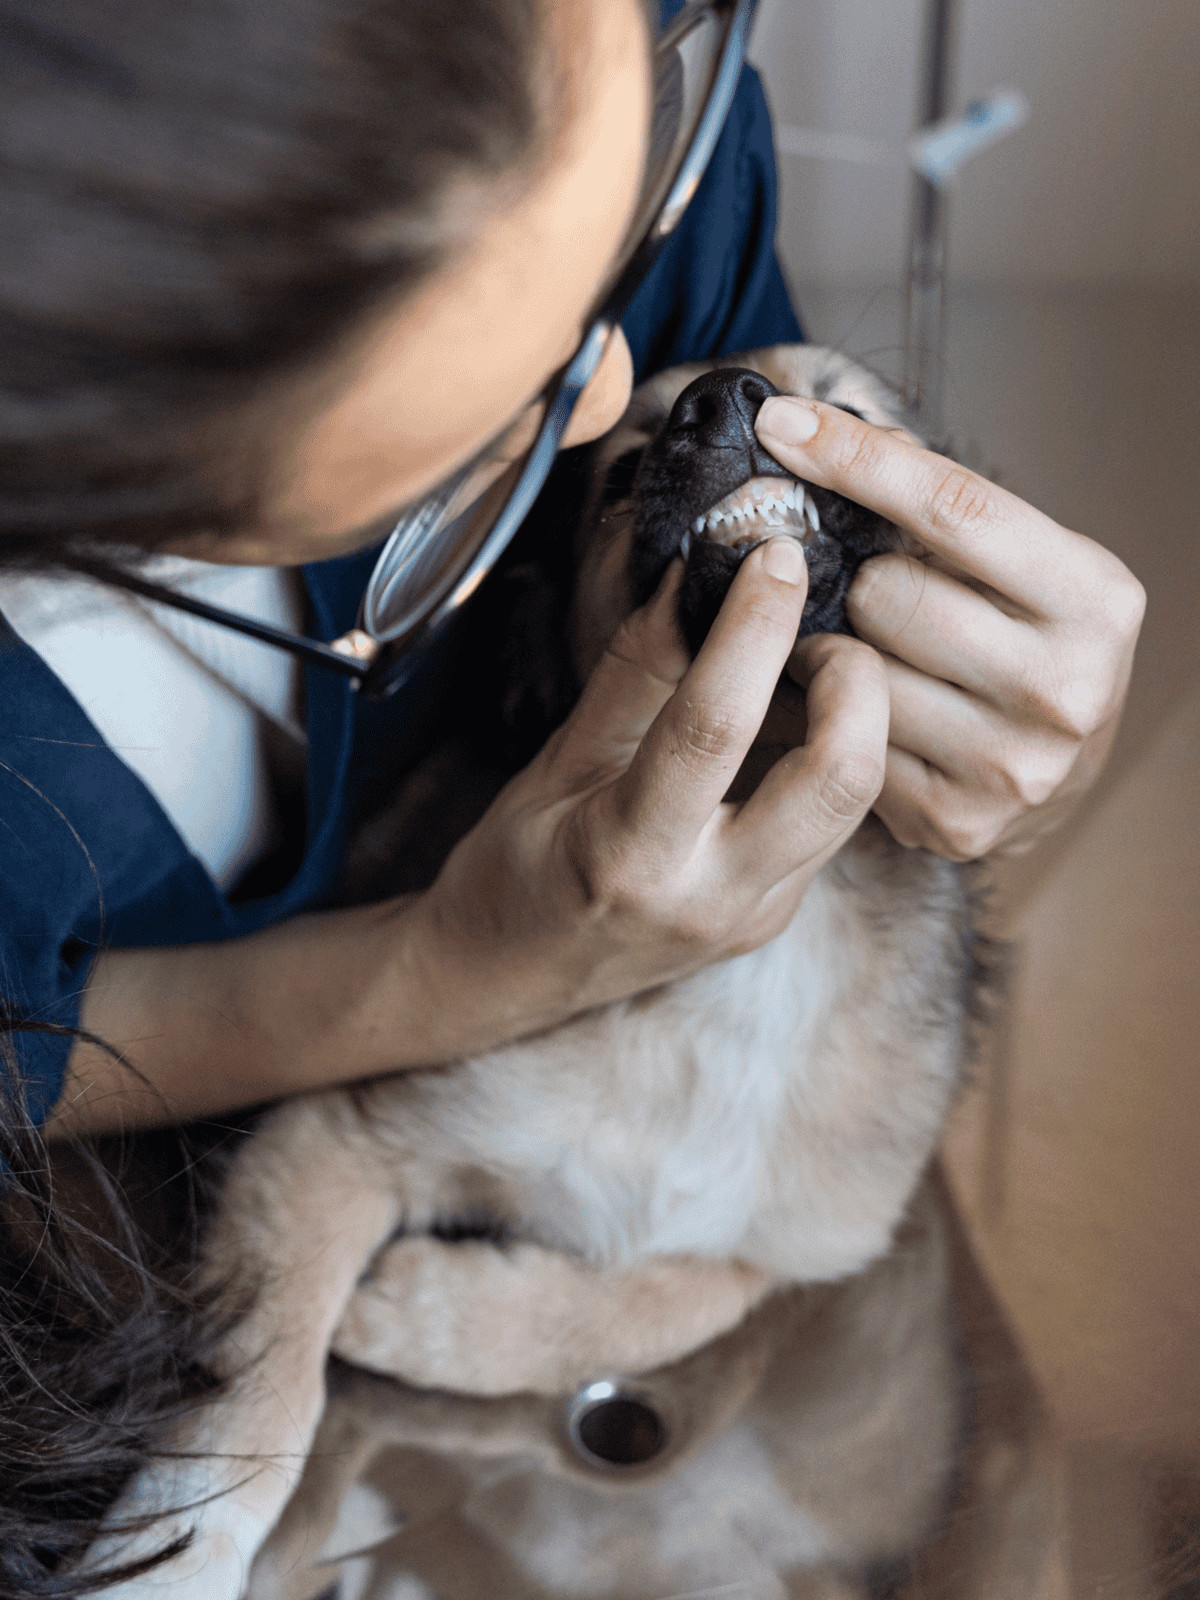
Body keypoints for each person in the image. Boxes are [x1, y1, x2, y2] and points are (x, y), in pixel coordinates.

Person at [0, 0, 1144, 1588]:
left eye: (629, 199)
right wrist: (445, 981)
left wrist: (1006, 728)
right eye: (493, 430)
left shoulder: (635, 114)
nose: (630, 389)